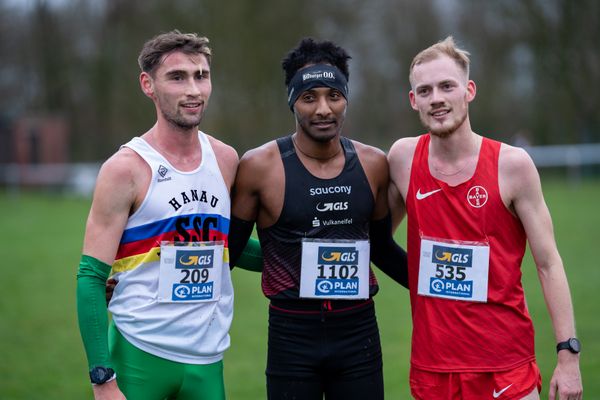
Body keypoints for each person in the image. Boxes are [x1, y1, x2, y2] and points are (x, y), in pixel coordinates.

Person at [387, 36, 583, 400]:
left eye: (447, 86)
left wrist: (567, 357)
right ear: (414, 100)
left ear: (469, 90)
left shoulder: (513, 166)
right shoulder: (402, 159)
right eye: (425, 90)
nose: (437, 98)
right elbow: (374, 238)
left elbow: (548, 263)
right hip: (433, 368)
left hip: (505, 365)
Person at [76, 30, 259, 400]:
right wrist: (102, 379)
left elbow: (229, 247)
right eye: (177, 77)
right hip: (139, 355)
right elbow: (90, 277)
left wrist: (305, 252)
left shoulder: (225, 159)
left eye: (201, 76)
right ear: (148, 84)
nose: (193, 89)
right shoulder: (126, 169)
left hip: (208, 359)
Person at [229, 37, 408, 400]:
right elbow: (225, 254)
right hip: (290, 335)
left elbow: (382, 249)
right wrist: (140, 279)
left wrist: (445, 289)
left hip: (358, 333)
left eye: (334, 96)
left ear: (346, 99)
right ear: (292, 102)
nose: (324, 109)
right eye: (309, 98)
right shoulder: (260, 167)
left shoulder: (373, 164)